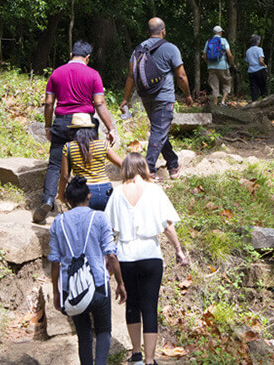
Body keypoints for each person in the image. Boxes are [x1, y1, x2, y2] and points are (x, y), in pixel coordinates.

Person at [104, 153, 187, 365]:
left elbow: (110, 231)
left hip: (125, 256)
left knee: (131, 304)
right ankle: (150, 360)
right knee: (150, 307)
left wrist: (108, 259)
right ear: (143, 167)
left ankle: (136, 355)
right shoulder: (155, 191)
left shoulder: (116, 193)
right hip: (150, 254)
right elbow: (168, 225)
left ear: (125, 169)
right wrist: (178, 249)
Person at [35, 40, 118, 223]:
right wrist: (110, 128)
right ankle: (83, 202)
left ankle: (48, 199)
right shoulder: (93, 74)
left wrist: (48, 126)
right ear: (87, 58)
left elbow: (49, 103)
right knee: (84, 161)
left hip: (62, 122)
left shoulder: (56, 73)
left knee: (55, 164)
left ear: (71, 55)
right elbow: (99, 103)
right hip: (85, 124)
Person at [49, 176, 127, 365]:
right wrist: (120, 283)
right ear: (89, 196)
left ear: (67, 200)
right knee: (103, 331)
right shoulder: (99, 217)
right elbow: (111, 254)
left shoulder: (57, 223)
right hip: (98, 284)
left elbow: (54, 261)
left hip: (71, 288)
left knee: (83, 335)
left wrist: (57, 292)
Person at [120, 17, 193, 181]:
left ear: (148, 32)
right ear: (163, 31)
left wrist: (126, 98)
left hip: (146, 96)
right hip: (164, 97)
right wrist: (187, 94)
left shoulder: (138, 49)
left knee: (160, 131)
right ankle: (148, 170)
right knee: (158, 131)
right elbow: (181, 76)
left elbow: (131, 76)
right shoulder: (170, 48)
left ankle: (173, 164)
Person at [57, 113, 123, 212]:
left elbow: (65, 176)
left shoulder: (69, 147)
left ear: (73, 131)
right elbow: (123, 164)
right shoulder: (102, 145)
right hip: (106, 190)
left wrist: (61, 195)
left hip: (84, 192)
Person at [203, 25, 235, 106]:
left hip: (211, 67)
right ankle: (223, 102)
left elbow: (204, 56)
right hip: (222, 66)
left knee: (214, 86)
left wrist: (209, 64)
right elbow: (229, 55)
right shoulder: (223, 40)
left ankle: (214, 105)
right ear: (220, 32)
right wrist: (232, 64)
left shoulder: (209, 41)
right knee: (227, 83)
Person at [245, 34, 268, 101]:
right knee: (263, 89)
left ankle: (254, 103)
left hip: (251, 72)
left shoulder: (248, 51)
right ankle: (264, 103)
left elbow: (248, 61)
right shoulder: (259, 49)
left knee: (254, 90)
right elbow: (261, 61)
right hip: (260, 70)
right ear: (257, 42)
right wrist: (264, 65)